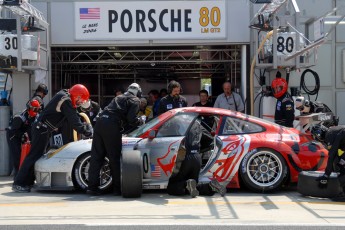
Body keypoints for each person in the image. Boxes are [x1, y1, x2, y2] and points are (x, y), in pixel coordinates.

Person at [12, 84, 93, 193]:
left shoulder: (65, 95)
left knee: (37, 156)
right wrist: (86, 130)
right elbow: (74, 120)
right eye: (80, 100)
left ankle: (27, 182)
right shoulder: (66, 100)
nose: (79, 103)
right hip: (41, 129)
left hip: (43, 129)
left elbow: (73, 113)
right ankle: (19, 183)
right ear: (77, 96)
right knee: (33, 156)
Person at [87, 83, 143, 196]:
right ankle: (117, 189)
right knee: (114, 158)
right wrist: (140, 121)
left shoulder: (118, 97)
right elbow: (131, 119)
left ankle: (92, 188)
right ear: (138, 92)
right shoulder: (135, 100)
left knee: (96, 157)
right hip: (111, 126)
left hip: (100, 123)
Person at [167, 117, 226, 198]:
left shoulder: (175, 123)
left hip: (184, 157)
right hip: (197, 158)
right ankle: (210, 186)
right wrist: (199, 149)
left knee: (172, 186)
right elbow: (210, 140)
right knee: (194, 185)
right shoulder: (197, 124)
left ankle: (186, 184)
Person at [6, 100, 40, 177]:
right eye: (34, 109)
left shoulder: (36, 116)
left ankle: (25, 175)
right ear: (29, 108)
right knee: (17, 155)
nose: (36, 111)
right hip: (13, 136)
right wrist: (23, 135)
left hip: (23, 134)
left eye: (37, 109)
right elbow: (14, 131)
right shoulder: (20, 118)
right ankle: (18, 177)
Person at [311, 125, 345, 202]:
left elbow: (331, 155)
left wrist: (326, 175)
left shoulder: (329, 135)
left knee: (342, 169)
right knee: (340, 163)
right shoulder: (333, 131)